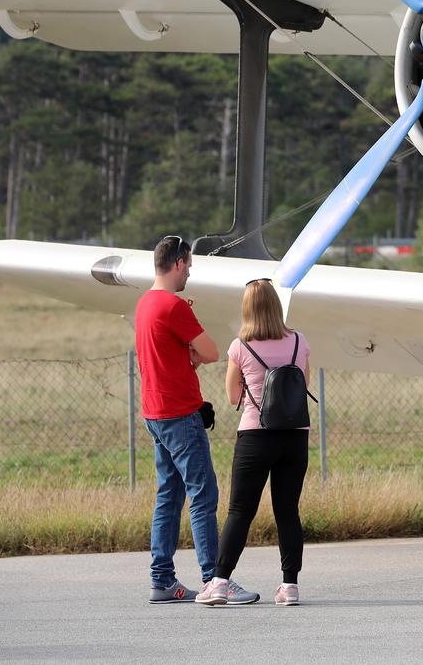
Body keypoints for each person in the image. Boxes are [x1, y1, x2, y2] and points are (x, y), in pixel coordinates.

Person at [137, 236, 252, 604]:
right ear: (180, 263)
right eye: (189, 266)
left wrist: (188, 351)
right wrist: (193, 349)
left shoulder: (144, 303)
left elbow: (177, 352)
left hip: (155, 412)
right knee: (203, 494)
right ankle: (213, 579)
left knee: (169, 495)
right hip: (180, 413)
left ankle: (162, 579)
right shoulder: (174, 307)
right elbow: (212, 351)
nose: (190, 272)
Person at [199, 278, 312, 607]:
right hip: (294, 436)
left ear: (246, 309)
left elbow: (233, 395)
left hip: (255, 436)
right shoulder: (299, 341)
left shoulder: (239, 347)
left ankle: (219, 581)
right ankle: (289, 585)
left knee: (240, 511)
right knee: (287, 511)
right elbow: (302, 385)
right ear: (277, 305)